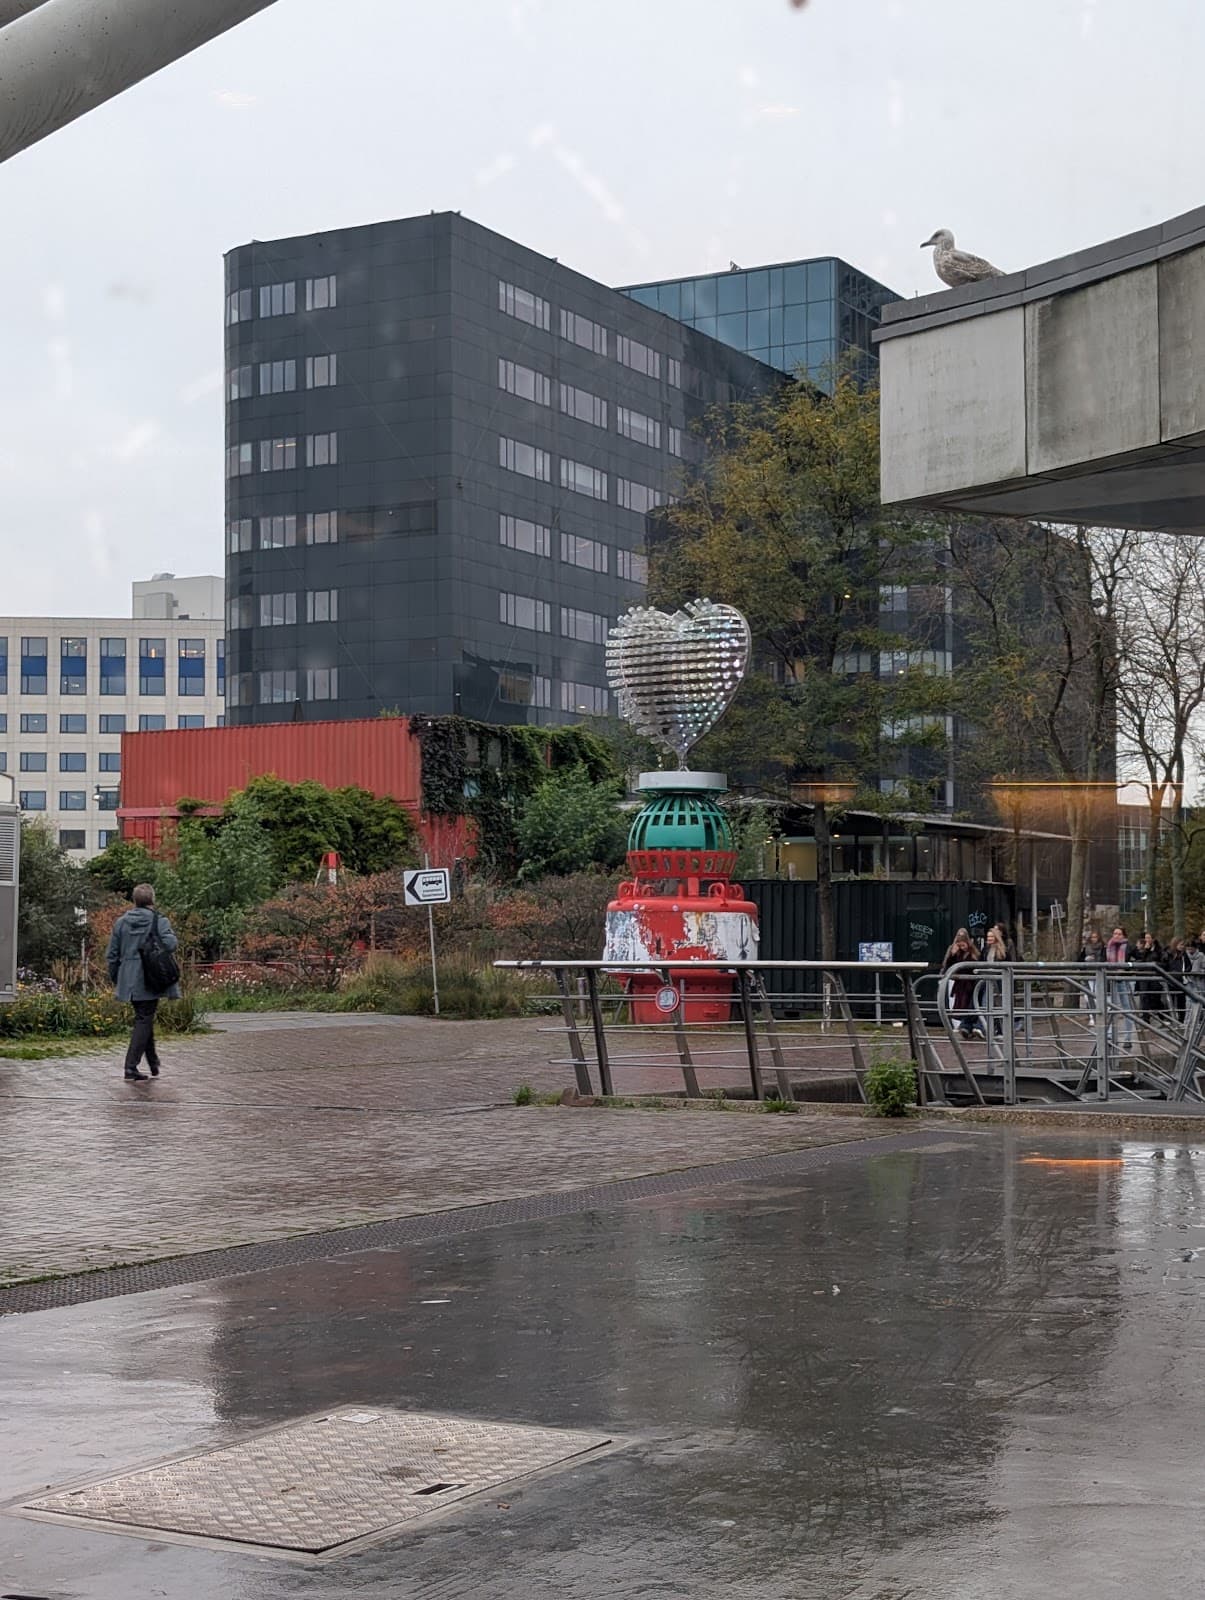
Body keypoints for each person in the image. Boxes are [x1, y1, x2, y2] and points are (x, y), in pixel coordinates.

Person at [106, 883, 180, 1082]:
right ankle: (131, 1067)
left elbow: (112, 955)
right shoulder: (159, 920)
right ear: (152, 900)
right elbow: (171, 944)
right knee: (144, 1018)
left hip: (129, 978)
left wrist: (117, 978)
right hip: (151, 976)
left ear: (134, 900)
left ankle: (153, 1062)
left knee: (144, 1017)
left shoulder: (121, 923)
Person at [941, 927, 981, 1038]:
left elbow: (975, 965)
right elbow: (948, 966)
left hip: (970, 983)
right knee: (960, 1006)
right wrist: (952, 954)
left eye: (963, 945)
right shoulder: (956, 952)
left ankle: (967, 1026)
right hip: (960, 983)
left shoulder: (973, 952)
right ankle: (964, 1027)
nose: (962, 948)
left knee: (969, 1005)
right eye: (960, 945)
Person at [1106, 925, 1135, 1052]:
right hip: (1111, 979)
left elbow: (1137, 959)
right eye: (1115, 933)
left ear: (1124, 935)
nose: (1116, 936)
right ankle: (1110, 1036)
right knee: (1111, 1008)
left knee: (1127, 1007)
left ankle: (1128, 1037)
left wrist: (1128, 968)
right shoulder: (1108, 946)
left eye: (1119, 933)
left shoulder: (1129, 946)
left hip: (1125, 979)